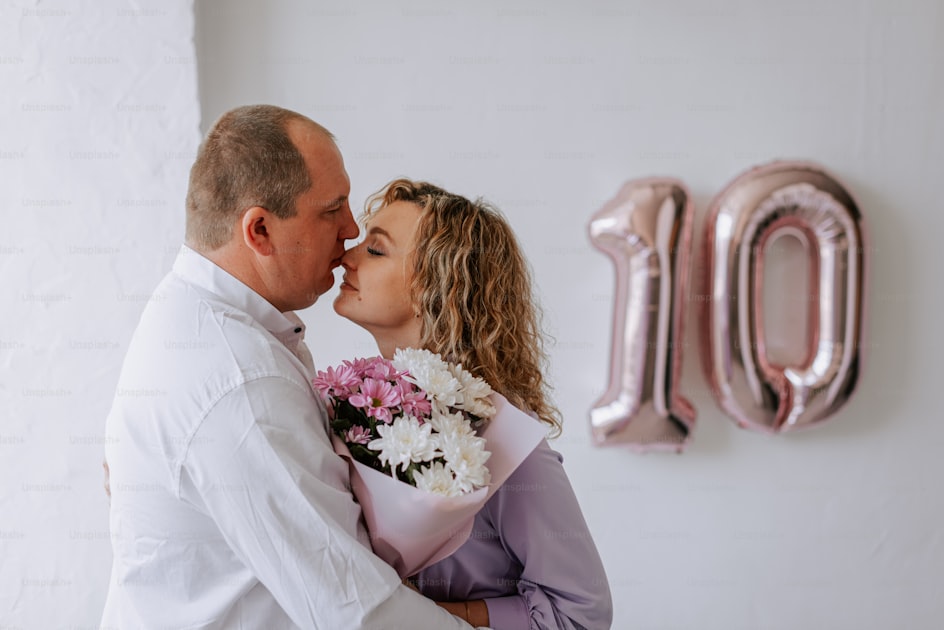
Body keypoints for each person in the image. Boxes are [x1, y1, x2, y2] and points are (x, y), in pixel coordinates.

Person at [101, 106, 477, 629]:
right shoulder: (240, 382)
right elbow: (357, 611)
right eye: (332, 210)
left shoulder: (196, 319)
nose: (350, 230)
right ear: (259, 230)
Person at [334, 178, 614, 629]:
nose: (348, 256)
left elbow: (580, 613)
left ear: (435, 289)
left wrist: (422, 617)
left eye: (376, 250)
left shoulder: (504, 442)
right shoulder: (354, 410)